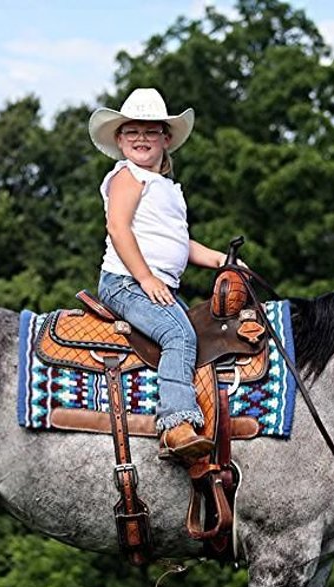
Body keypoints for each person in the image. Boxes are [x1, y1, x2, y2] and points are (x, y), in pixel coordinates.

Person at [88, 87, 233, 460]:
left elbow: (178, 242)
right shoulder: (127, 176)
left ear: (165, 139)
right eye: (132, 131)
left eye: (150, 131)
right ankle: (174, 425)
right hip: (126, 282)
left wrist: (222, 260)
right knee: (177, 334)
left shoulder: (165, 187)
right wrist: (147, 278)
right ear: (120, 140)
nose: (141, 139)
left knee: (206, 334)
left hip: (155, 285)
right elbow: (118, 229)